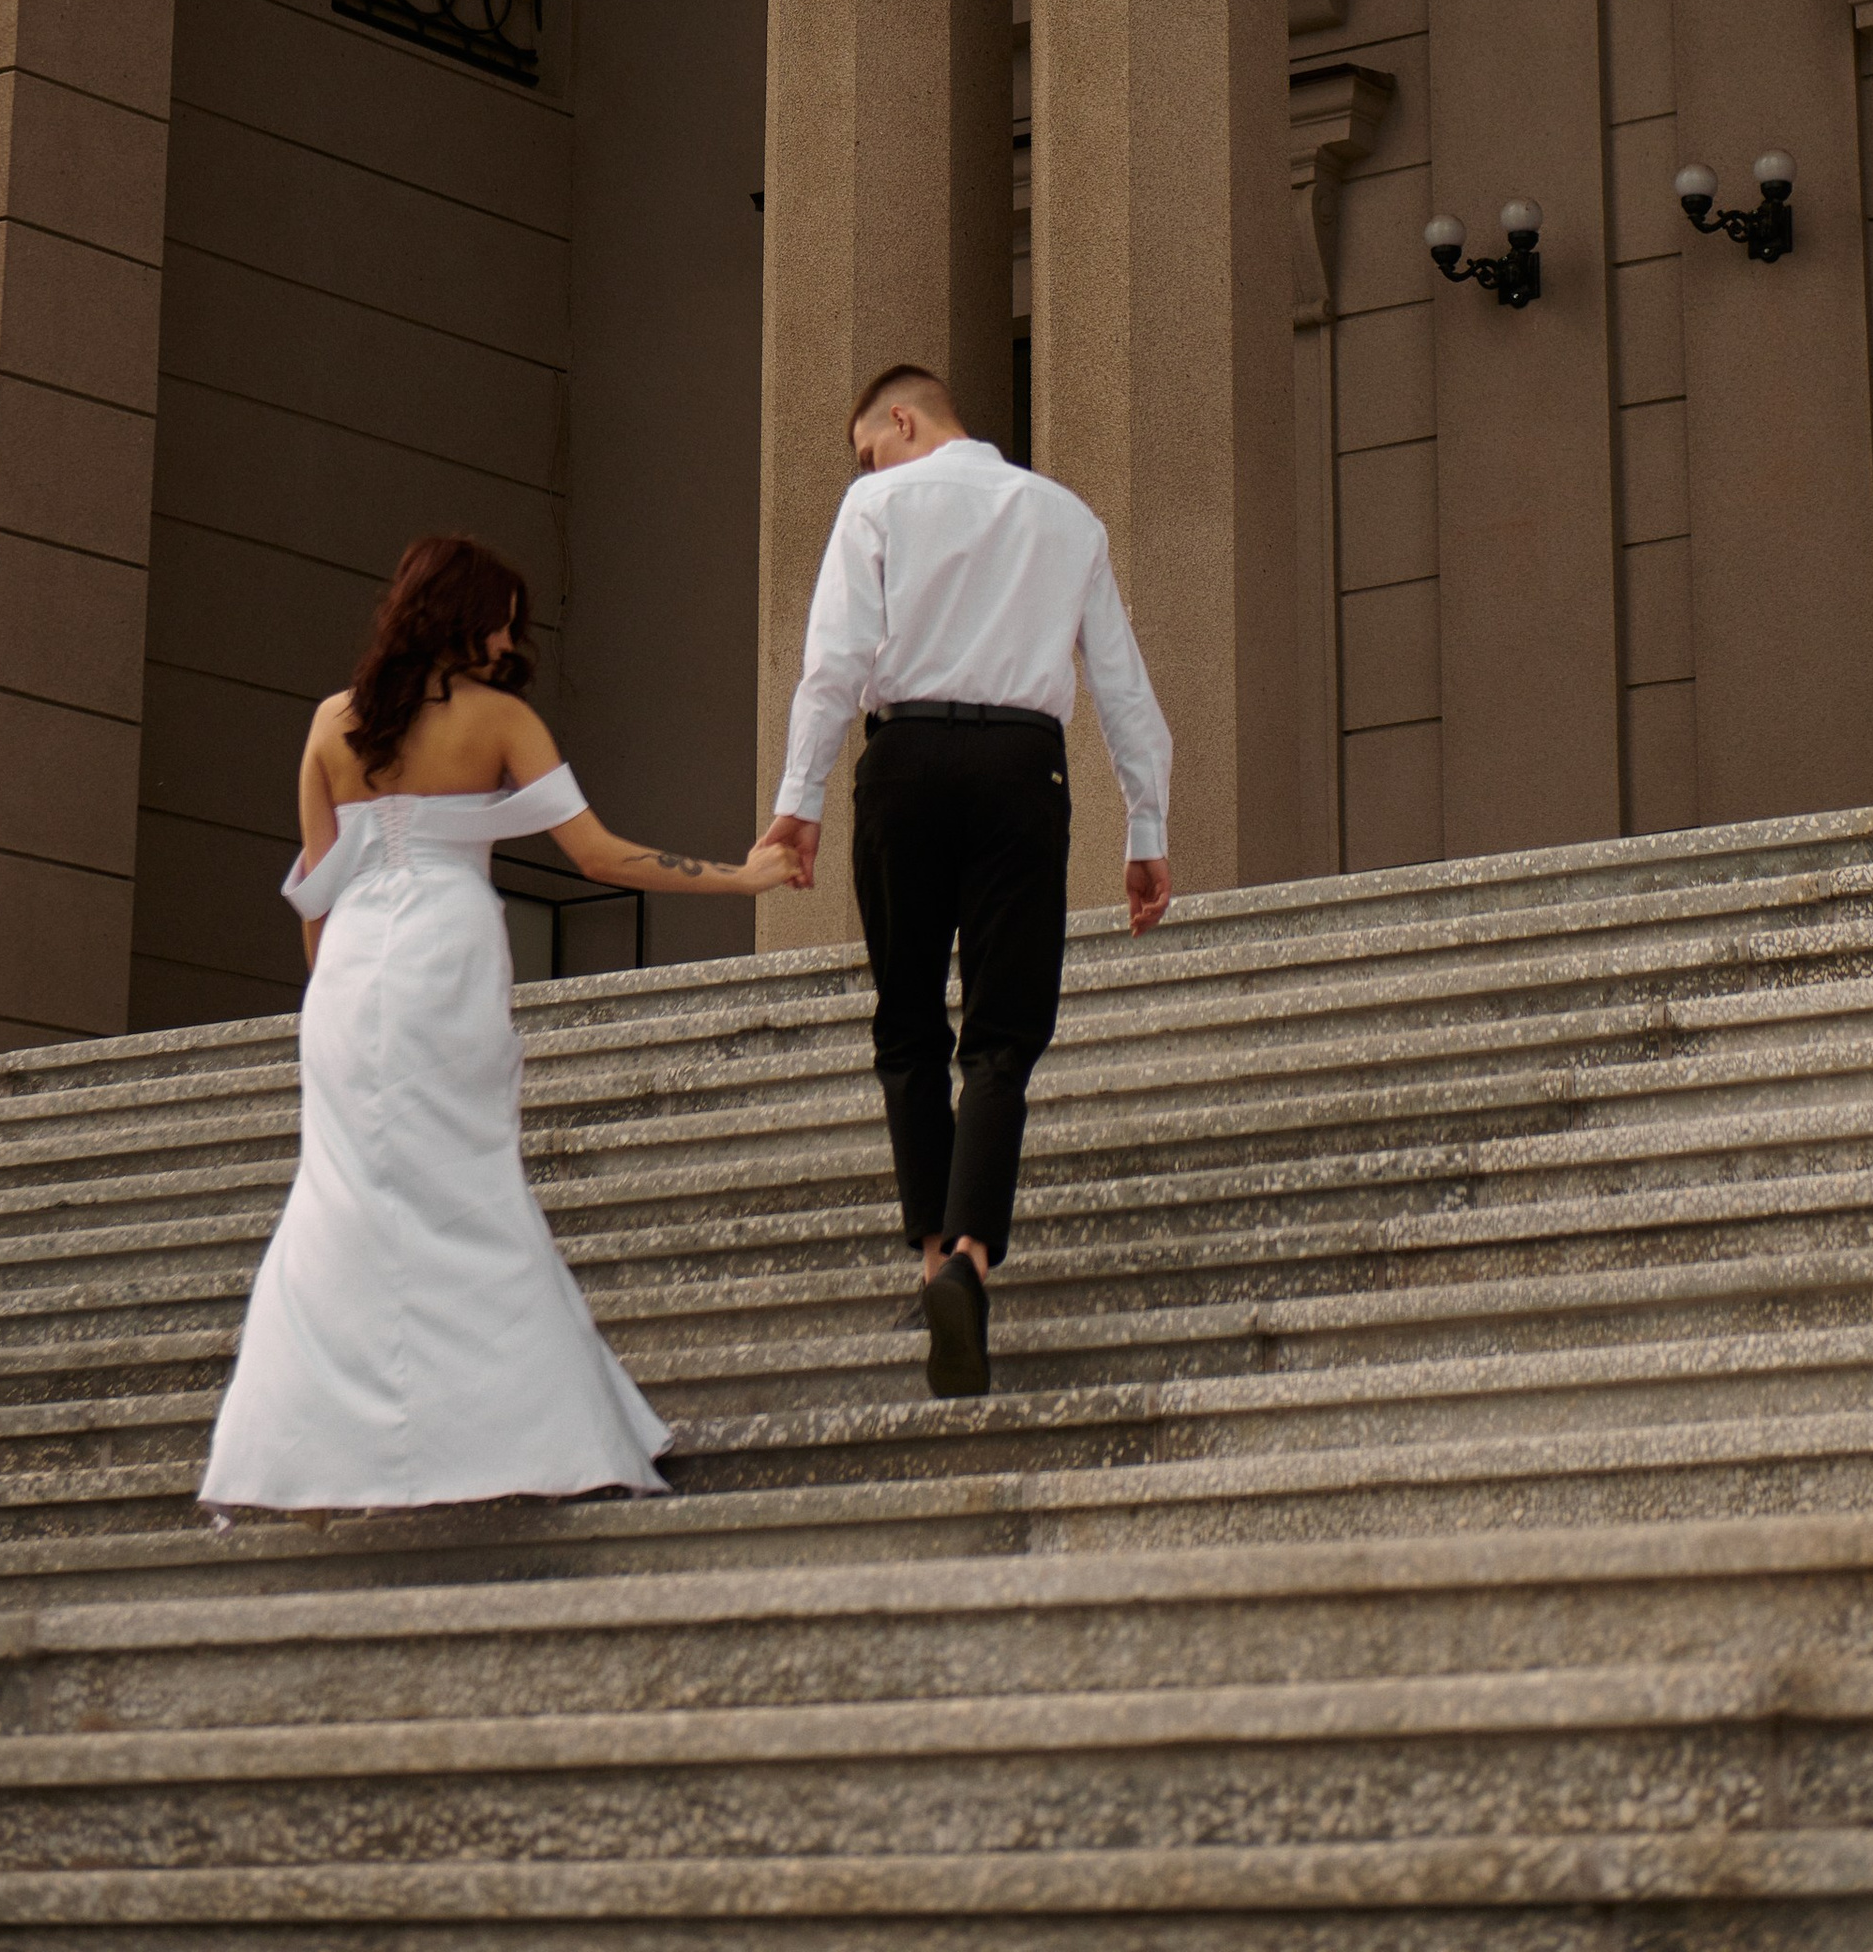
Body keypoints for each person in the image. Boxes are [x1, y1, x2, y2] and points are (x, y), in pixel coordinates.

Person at [200, 531, 801, 1514]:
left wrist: (329, 1010)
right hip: (445, 958)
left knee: (342, 1195)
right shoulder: (501, 720)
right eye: (503, 618)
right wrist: (739, 877)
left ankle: (317, 1447)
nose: (508, 638)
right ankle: (534, 1430)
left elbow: (316, 899)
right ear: (464, 616)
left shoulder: (328, 724)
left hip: (349, 976)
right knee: (471, 1184)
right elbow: (598, 856)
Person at [764, 363, 1174, 1401]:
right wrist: (1147, 824)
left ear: (901, 421)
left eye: (869, 444)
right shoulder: (1066, 517)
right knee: (1002, 1034)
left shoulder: (878, 502)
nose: (868, 463)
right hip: (1020, 772)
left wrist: (799, 798)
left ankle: (931, 1253)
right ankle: (970, 1261)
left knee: (907, 1020)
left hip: (902, 764)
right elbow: (1121, 683)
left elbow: (835, 661)